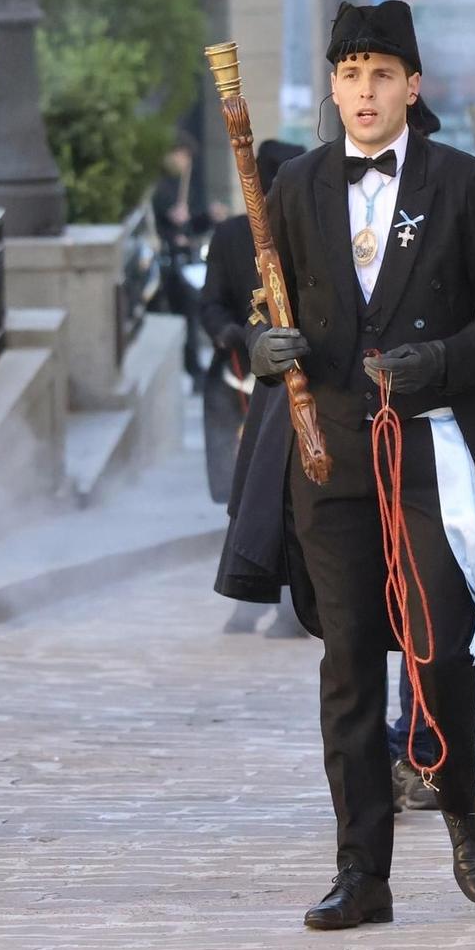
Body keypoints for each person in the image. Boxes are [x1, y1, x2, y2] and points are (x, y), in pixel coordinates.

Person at [215, 0, 475, 929]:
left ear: (412, 86)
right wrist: (264, 346)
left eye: (382, 75)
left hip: (434, 450)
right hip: (331, 463)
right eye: (350, 76)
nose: (365, 92)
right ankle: (363, 870)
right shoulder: (296, 187)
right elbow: (264, 304)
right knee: (351, 665)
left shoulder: (464, 183)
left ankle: (460, 797)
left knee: (440, 647)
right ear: (332, 88)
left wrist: (436, 362)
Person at [203, 139, 308, 638]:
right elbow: (213, 304)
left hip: (289, 382)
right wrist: (231, 335)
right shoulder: (228, 236)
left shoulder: (309, 227)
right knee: (242, 495)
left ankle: (292, 606)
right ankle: (246, 599)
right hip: (236, 375)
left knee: (285, 497)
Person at [154, 136, 213, 382]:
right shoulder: (160, 189)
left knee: (190, 315)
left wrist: (207, 217)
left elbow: (190, 227)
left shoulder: (184, 186)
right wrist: (173, 230)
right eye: (182, 156)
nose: (185, 163)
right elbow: (159, 224)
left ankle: (194, 367)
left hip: (182, 262)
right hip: (165, 263)